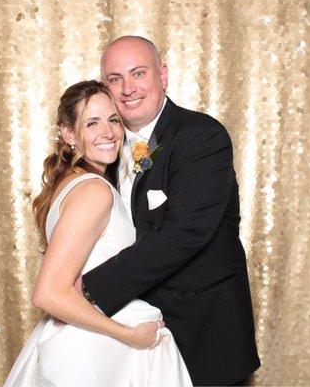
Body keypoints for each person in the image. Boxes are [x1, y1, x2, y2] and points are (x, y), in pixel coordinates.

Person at [80, 36, 261, 386]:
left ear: (162, 74)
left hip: (204, 335)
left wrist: (89, 289)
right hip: (135, 336)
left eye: (138, 73)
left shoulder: (202, 137)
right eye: (115, 79)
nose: (127, 88)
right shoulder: (105, 148)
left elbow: (185, 233)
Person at [4, 80, 192, 386]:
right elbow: (48, 292)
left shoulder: (71, 183)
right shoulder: (94, 191)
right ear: (68, 134)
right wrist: (129, 335)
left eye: (113, 120)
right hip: (91, 356)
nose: (108, 133)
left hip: (88, 347)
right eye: (92, 123)